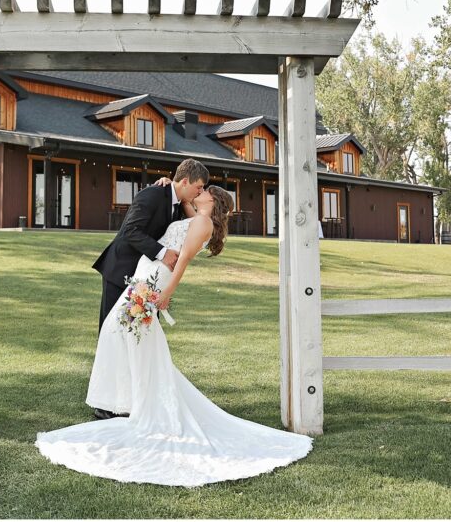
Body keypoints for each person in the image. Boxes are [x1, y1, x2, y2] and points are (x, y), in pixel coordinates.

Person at [36, 185, 313, 487]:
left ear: (213, 200)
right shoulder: (198, 216)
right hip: (144, 273)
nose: (200, 192)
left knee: (127, 331)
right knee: (123, 333)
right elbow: (182, 205)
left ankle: (139, 400)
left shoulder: (204, 223)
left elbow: (182, 261)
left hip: (156, 278)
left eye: (205, 191)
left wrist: (166, 292)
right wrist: (166, 185)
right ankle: (129, 398)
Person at [89, 158, 208, 419]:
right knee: (112, 333)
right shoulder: (152, 195)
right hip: (120, 271)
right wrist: (163, 253)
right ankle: (104, 402)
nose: (200, 192)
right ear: (185, 181)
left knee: (136, 338)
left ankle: (131, 398)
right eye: (198, 187)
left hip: (146, 280)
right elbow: (131, 231)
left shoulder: (178, 204)